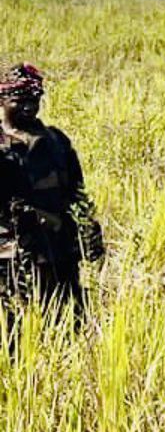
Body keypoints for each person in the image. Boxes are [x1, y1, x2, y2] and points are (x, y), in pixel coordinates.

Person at [0, 63, 103, 332]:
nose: (28, 107)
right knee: (12, 329)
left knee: (69, 323)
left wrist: (88, 227)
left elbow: (77, 192)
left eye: (34, 99)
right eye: (19, 100)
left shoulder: (56, 141)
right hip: (11, 254)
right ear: (2, 100)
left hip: (59, 249)